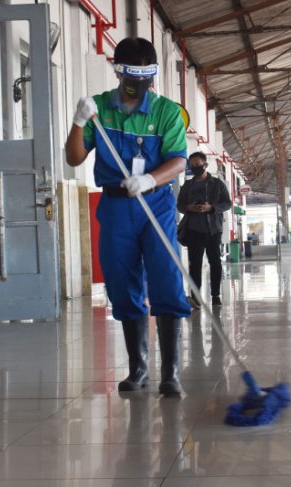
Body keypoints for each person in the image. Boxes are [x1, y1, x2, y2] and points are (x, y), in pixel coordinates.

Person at [64, 37, 190, 396]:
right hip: (117, 206)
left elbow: (179, 160)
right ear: (119, 72)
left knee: (166, 279)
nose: (141, 84)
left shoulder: (166, 111)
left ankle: (171, 373)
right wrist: (78, 121)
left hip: (156, 203)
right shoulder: (100, 110)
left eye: (147, 77)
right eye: (134, 76)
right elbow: (74, 158)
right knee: (121, 283)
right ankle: (138, 369)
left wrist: (150, 178)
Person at [177, 152, 232, 308]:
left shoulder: (217, 184)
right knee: (195, 265)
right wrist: (189, 207)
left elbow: (227, 203)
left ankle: (215, 296)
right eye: (192, 166)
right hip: (194, 230)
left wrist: (212, 207)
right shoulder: (187, 186)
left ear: (205, 165)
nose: (195, 168)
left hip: (213, 230)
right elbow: (179, 205)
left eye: (197, 165)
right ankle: (195, 298)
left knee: (215, 263)